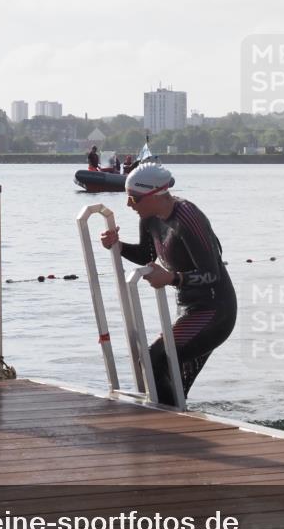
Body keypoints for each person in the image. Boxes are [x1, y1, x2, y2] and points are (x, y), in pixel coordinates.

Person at [100, 164, 236, 406]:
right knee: (173, 384)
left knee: (153, 359)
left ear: (155, 194)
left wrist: (173, 278)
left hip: (215, 312)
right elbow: (146, 254)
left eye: (134, 198)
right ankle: (180, 423)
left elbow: (211, 274)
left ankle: (165, 423)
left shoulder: (188, 217)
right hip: (188, 308)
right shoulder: (149, 218)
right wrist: (117, 246)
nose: (129, 204)